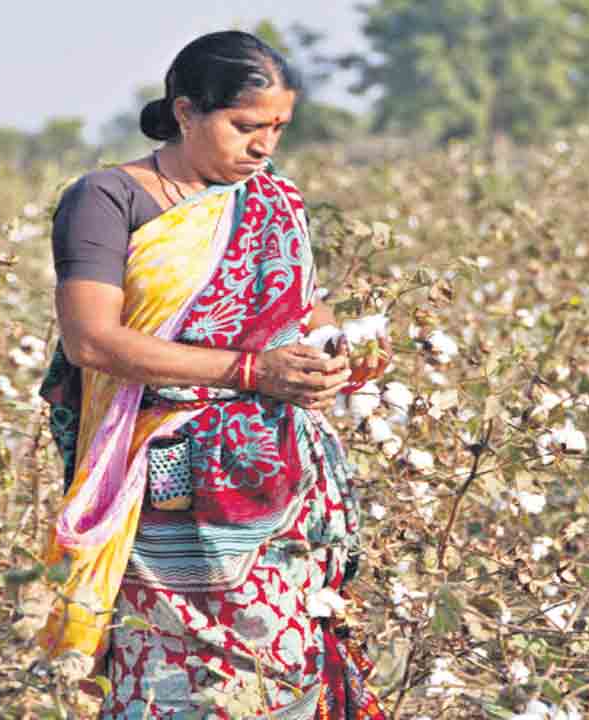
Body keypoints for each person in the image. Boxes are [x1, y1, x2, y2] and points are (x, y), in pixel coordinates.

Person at [37, 31, 389, 719]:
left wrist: (340, 352)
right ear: (187, 112)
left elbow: (303, 311)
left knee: (284, 673)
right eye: (246, 126)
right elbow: (91, 339)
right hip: (167, 485)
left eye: (278, 129)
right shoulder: (108, 198)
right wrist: (251, 371)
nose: (263, 146)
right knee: (170, 677)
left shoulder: (272, 200)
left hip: (277, 483)